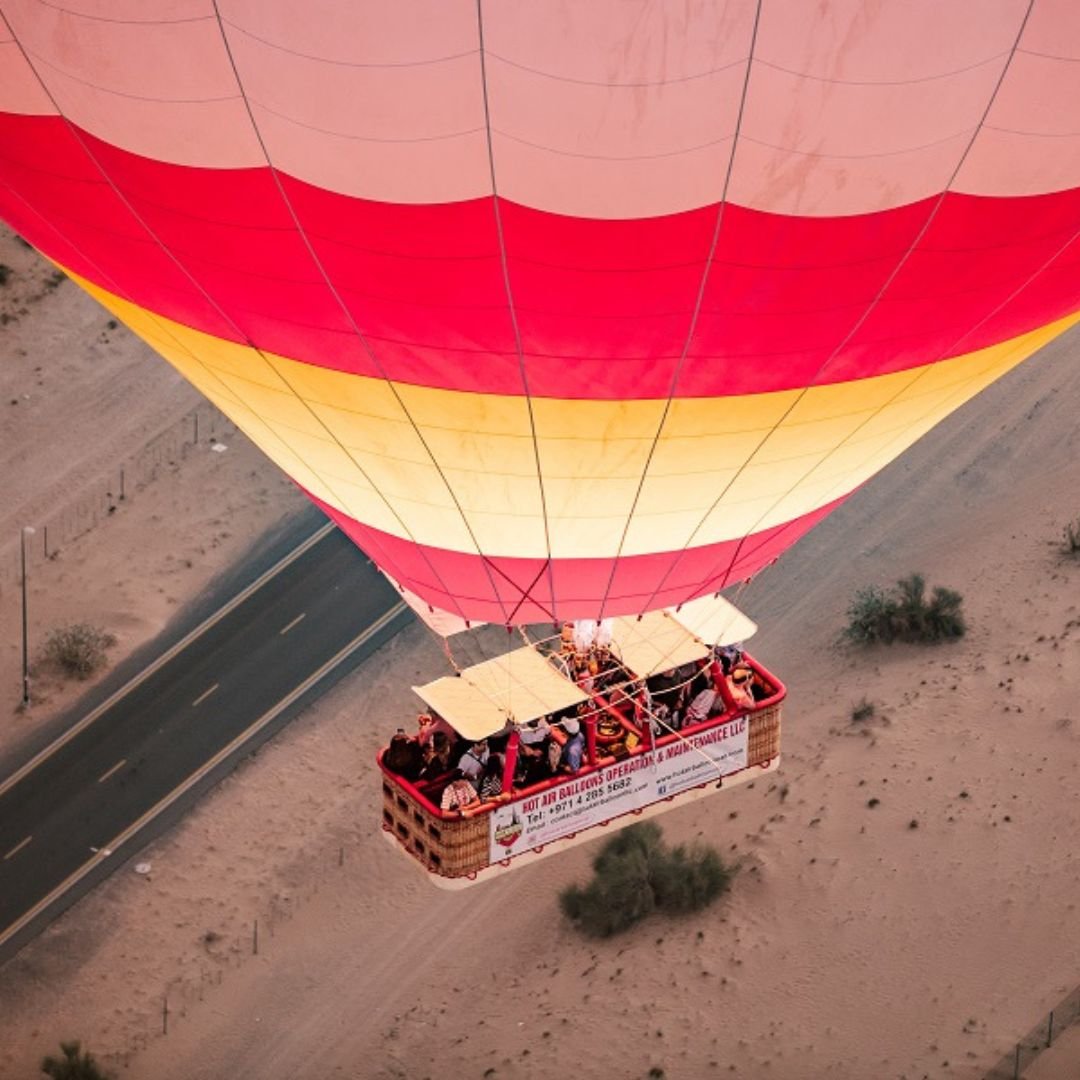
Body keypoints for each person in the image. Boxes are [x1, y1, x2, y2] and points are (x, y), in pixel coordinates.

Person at [516, 716, 553, 786]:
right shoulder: (520, 727)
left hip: (541, 752)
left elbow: (549, 735)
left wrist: (543, 749)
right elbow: (515, 740)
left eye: (537, 720)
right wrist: (524, 747)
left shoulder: (543, 723)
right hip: (527, 758)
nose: (536, 722)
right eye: (534, 720)